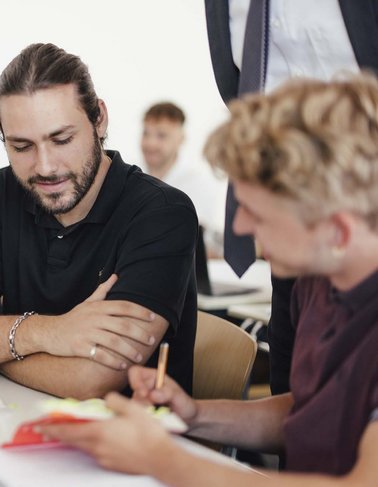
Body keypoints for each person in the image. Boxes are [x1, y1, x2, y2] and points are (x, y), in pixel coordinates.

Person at [43, 75, 378, 483]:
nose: (240, 225)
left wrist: (164, 461)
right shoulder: (324, 287)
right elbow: (311, 414)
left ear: (338, 232)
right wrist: (195, 415)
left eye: (259, 212)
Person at [0, 43, 198, 400]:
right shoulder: (0, 192)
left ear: (99, 119)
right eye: (22, 147)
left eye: (61, 139)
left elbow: (91, 380)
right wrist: (48, 333)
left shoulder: (162, 213)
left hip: (127, 445)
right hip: (15, 426)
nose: (45, 166)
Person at [205, 0, 378, 395]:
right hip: (300, 253)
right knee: (293, 382)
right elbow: (297, 424)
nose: (237, 227)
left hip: (354, 221)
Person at [140, 101, 226, 255]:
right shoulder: (130, 177)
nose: (150, 143)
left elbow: (204, 245)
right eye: (146, 133)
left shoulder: (199, 184)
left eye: (161, 135)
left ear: (181, 139)